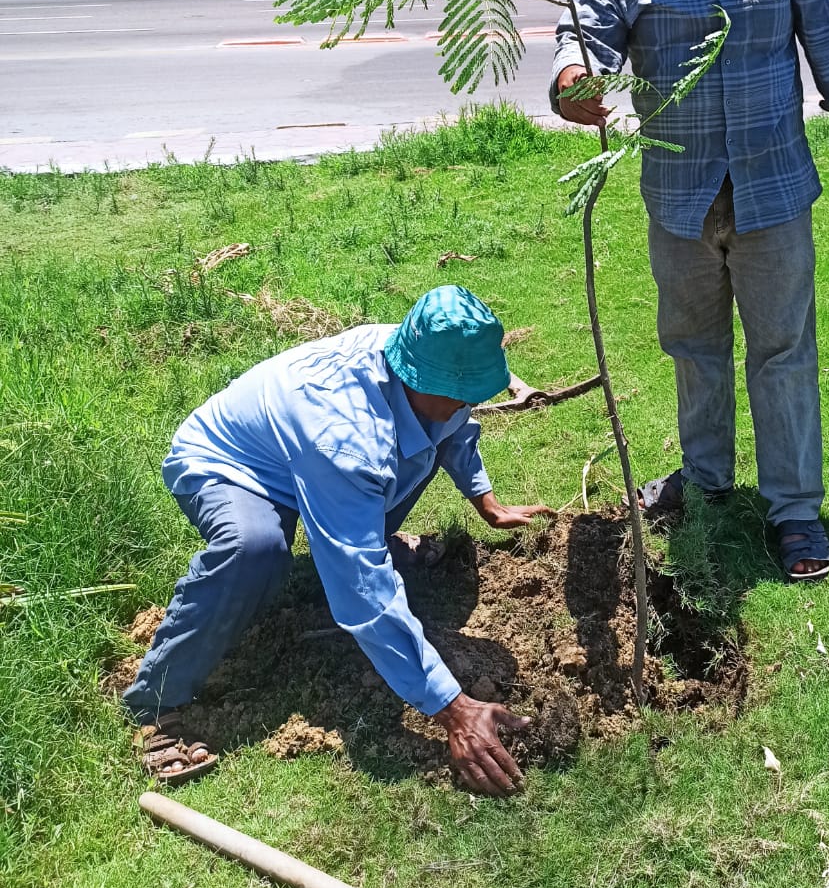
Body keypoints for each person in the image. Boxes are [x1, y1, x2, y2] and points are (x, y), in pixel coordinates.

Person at [550, 0, 829, 583]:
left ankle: (795, 513)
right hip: (676, 196)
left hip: (772, 190)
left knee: (782, 353)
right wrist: (574, 83)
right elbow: (582, 40)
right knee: (692, 346)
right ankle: (705, 482)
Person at [124, 287, 553, 796]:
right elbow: (363, 594)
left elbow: (455, 426)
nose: (468, 403)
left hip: (314, 458)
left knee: (410, 456)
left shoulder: (424, 356)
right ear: (415, 375)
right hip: (230, 465)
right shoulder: (346, 438)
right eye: (461, 393)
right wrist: (452, 708)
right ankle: (156, 700)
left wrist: (485, 499)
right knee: (255, 549)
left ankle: (358, 536)